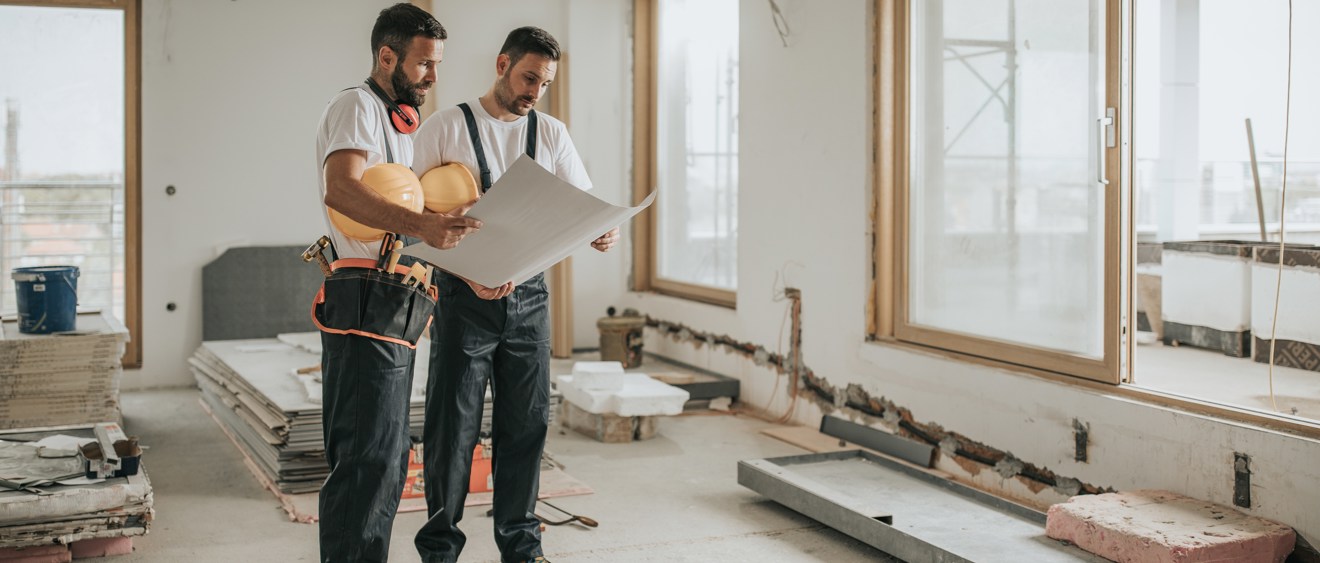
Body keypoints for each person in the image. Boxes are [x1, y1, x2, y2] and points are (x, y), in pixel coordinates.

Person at [411, 26, 620, 563]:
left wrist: (600, 229)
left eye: (545, 83)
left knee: (526, 424)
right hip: (463, 298)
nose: (535, 92)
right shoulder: (444, 127)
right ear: (502, 64)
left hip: (529, 301)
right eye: (529, 77)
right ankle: (439, 550)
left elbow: (581, 203)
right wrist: (469, 272)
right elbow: (414, 225)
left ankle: (521, 549)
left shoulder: (549, 132)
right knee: (451, 430)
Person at [312, 5, 480, 562]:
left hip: (392, 299)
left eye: (437, 66)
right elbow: (343, 190)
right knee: (366, 460)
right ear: (387, 56)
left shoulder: (398, 127)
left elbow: (405, 213)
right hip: (363, 296)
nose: (433, 78)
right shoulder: (357, 105)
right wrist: (423, 224)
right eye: (424, 64)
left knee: (384, 458)